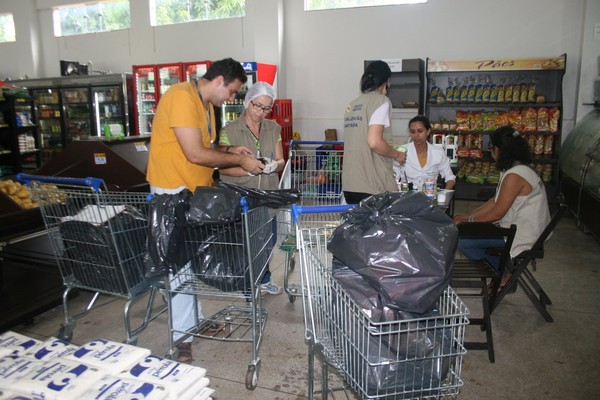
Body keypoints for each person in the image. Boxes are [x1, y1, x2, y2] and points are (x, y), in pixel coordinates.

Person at [146, 58, 265, 363]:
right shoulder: (180, 97)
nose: (232, 98)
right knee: (178, 266)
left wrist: (230, 151)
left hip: (192, 193)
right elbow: (195, 153)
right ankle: (181, 337)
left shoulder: (207, 105)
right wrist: (240, 163)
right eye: (233, 91)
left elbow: (208, 146)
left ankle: (193, 321)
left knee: (191, 263)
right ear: (220, 80)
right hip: (171, 191)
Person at [454, 125, 551, 286]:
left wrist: (467, 223)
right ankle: (504, 269)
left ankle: (505, 273)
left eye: (491, 148)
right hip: (527, 230)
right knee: (468, 231)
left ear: (498, 150)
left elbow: (497, 213)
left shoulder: (514, 175)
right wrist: (467, 217)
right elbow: (495, 201)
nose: (491, 153)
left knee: (461, 240)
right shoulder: (519, 169)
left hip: (522, 235)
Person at [218, 81, 284, 295]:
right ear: (247, 101)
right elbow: (223, 169)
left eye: (267, 108)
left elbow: (281, 159)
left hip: (267, 194)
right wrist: (249, 170)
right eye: (257, 106)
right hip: (242, 195)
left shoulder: (273, 128)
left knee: (268, 240)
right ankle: (247, 281)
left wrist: (274, 166)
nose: (261, 112)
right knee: (246, 243)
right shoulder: (229, 131)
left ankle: (263, 278)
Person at [342, 60, 406, 204]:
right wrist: (397, 154)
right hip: (373, 185)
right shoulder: (381, 101)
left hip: (350, 184)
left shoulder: (352, 105)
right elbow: (374, 142)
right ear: (388, 81)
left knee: (358, 226)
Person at [394, 115, 456, 191]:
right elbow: (393, 176)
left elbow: (450, 177)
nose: (416, 135)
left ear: (428, 131)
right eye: (412, 132)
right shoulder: (401, 151)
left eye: (420, 131)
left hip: (430, 196)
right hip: (407, 196)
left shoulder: (438, 153)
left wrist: (444, 194)